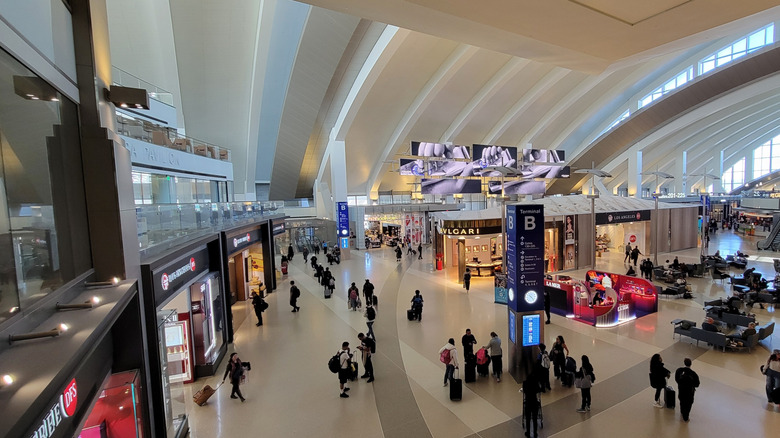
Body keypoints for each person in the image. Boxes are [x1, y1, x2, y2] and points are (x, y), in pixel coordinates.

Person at [522, 368, 541, 438]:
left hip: (528, 401)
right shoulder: (535, 380)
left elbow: (524, 389)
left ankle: (528, 432)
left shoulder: (525, 380)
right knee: (535, 418)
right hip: (534, 401)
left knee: (528, 418)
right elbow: (538, 389)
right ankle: (535, 433)